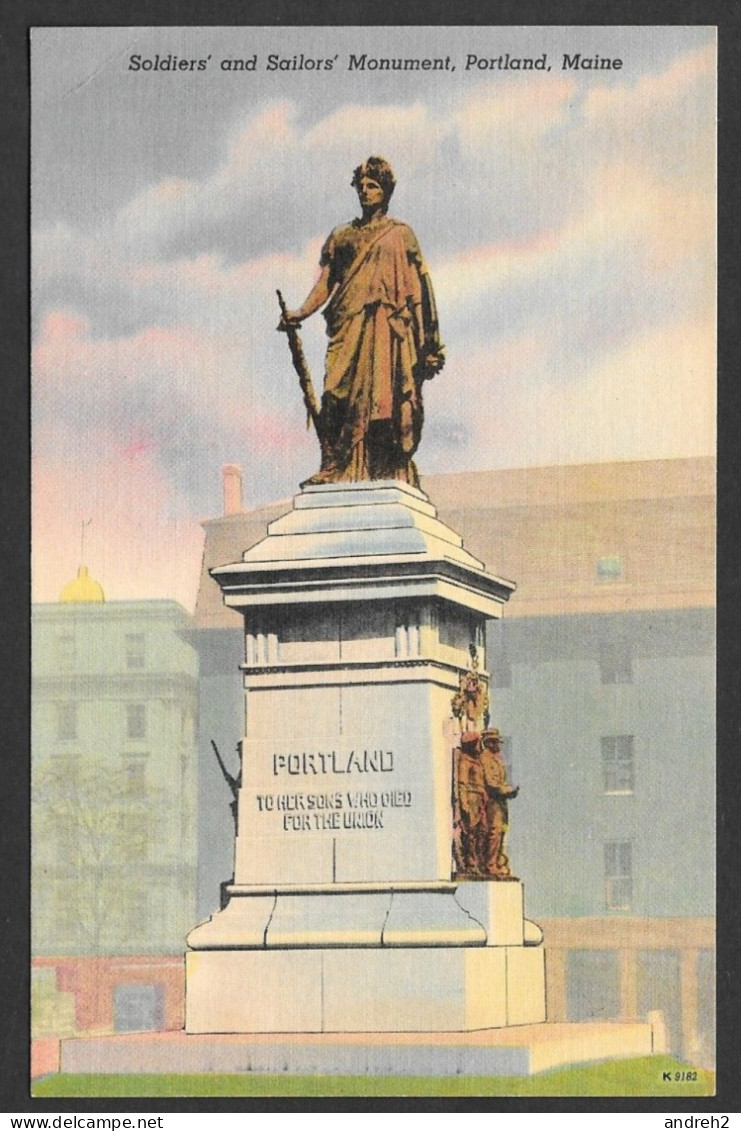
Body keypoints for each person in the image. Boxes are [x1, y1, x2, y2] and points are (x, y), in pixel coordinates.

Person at [280, 156, 445, 487]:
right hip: (350, 325)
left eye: (373, 186)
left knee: (385, 401)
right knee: (334, 392)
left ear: (385, 192)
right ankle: (337, 465)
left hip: (389, 329)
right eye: (362, 186)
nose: (366, 192)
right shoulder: (343, 236)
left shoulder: (401, 235)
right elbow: (327, 283)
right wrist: (300, 312)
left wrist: (430, 342)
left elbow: (421, 291)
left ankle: (385, 468)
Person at [480, 729, 519, 878]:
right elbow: (491, 783)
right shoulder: (485, 759)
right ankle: (489, 864)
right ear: (488, 743)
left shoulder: (497, 759)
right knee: (494, 832)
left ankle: (496, 861)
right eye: (495, 742)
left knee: (502, 830)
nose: (498, 745)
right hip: (492, 801)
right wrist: (506, 790)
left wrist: (509, 791)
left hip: (501, 802)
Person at [454, 731, 488, 876]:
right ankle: (471, 862)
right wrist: (464, 804)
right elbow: (462, 783)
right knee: (471, 832)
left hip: (481, 799)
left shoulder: (478, 761)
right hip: (471, 798)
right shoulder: (465, 761)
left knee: (483, 831)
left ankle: (479, 861)